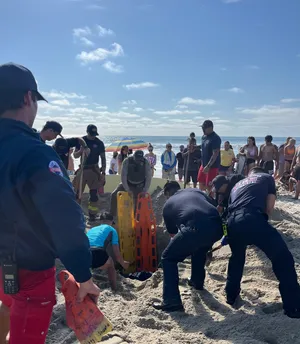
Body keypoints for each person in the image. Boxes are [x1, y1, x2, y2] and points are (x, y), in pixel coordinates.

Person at [0, 62, 99, 344]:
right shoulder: (34, 153)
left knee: (7, 303)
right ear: (27, 98)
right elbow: (64, 219)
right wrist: (82, 273)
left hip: (2, 261)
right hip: (29, 266)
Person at [225, 166, 300, 318]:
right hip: (252, 217)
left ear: (249, 174)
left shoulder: (237, 185)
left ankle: (231, 296)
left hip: (232, 222)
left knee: (237, 258)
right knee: (282, 258)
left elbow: (228, 210)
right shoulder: (266, 178)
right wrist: (261, 225)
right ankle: (294, 308)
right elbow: (269, 206)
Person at [152, 182, 222, 312]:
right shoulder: (196, 191)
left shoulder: (168, 204)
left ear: (167, 194)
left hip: (194, 226)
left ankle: (172, 301)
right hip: (217, 227)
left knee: (168, 258)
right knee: (199, 250)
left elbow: (173, 233)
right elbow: (214, 207)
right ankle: (197, 281)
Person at [87, 212, 130, 290]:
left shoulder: (92, 229)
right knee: (110, 264)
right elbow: (117, 255)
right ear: (111, 221)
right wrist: (123, 264)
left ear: (100, 221)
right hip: (96, 252)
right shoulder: (111, 230)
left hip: (83, 254)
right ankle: (114, 288)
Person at [73, 124, 106, 223]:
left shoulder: (99, 143)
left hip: (94, 169)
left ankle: (92, 215)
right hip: (83, 169)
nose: (93, 136)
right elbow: (75, 156)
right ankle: (76, 214)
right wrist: (80, 151)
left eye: (94, 134)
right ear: (87, 132)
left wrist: (103, 172)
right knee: (77, 194)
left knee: (94, 195)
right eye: (91, 134)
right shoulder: (81, 141)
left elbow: (103, 158)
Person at [110, 150, 152, 217]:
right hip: (127, 183)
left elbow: (149, 177)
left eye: (140, 159)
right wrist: (127, 189)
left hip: (140, 185)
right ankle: (112, 215)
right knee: (114, 195)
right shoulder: (127, 161)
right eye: (137, 159)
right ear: (133, 156)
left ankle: (136, 218)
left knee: (138, 203)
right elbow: (123, 176)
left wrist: (144, 190)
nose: (138, 161)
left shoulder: (145, 162)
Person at [197, 120, 221, 193]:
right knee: (200, 182)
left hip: (212, 166)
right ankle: (201, 198)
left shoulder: (215, 138)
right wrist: (194, 147)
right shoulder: (204, 137)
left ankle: (210, 201)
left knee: (209, 186)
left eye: (204, 128)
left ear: (210, 128)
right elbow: (203, 146)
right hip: (203, 164)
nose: (202, 130)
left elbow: (215, 153)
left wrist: (208, 166)